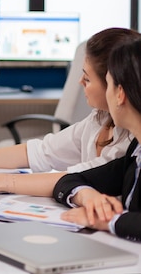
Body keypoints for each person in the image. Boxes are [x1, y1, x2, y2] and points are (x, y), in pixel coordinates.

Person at [0, 28, 139, 196]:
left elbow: (79, 178)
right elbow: (42, 151)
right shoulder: (99, 118)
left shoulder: (131, 142)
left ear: (116, 88)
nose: (80, 83)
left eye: (87, 79)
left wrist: (1, 182)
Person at [54, 38, 141, 241]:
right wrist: (86, 195)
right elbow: (69, 180)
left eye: (108, 83)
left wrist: (110, 221)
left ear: (120, 94)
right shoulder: (136, 150)